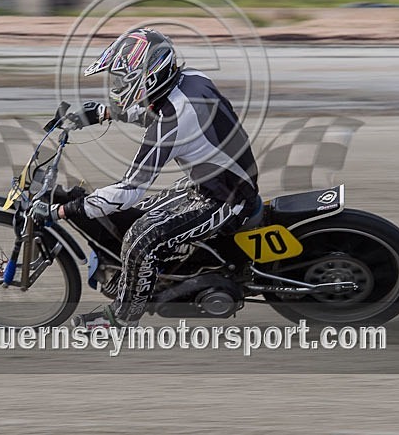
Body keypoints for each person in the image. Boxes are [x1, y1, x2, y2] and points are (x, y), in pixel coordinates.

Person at [31, 27, 259, 328]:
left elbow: (130, 189)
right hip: (215, 182)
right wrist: (101, 113)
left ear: (149, 75)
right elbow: (153, 111)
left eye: (123, 79)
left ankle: (122, 319)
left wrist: (65, 210)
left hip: (226, 199)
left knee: (141, 238)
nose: (117, 85)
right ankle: (155, 275)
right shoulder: (192, 79)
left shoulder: (173, 121)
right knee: (135, 216)